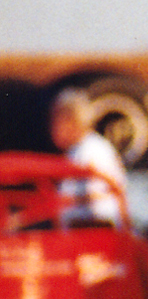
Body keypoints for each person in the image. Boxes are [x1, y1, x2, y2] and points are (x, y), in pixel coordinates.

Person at [49, 88, 129, 227]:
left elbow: (99, 198)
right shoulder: (77, 149)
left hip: (96, 230)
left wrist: (54, 203)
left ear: (72, 121)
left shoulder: (91, 150)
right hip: (80, 229)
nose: (52, 129)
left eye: (56, 122)